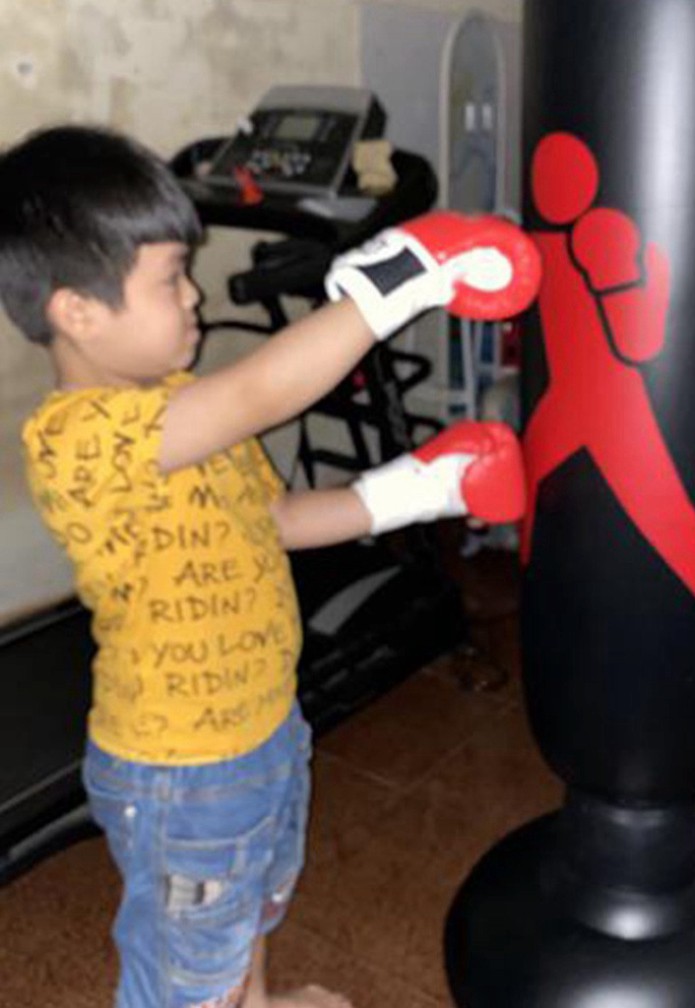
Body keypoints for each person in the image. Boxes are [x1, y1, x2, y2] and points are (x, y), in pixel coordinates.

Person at [0, 124, 536, 1008]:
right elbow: (261, 390)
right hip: (181, 772)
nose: (195, 296)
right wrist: (409, 276)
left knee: (245, 916)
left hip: (262, 732)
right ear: (78, 312)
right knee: (189, 976)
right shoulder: (74, 440)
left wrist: (425, 488)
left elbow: (276, 519)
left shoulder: (184, 408)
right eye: (172, 277)